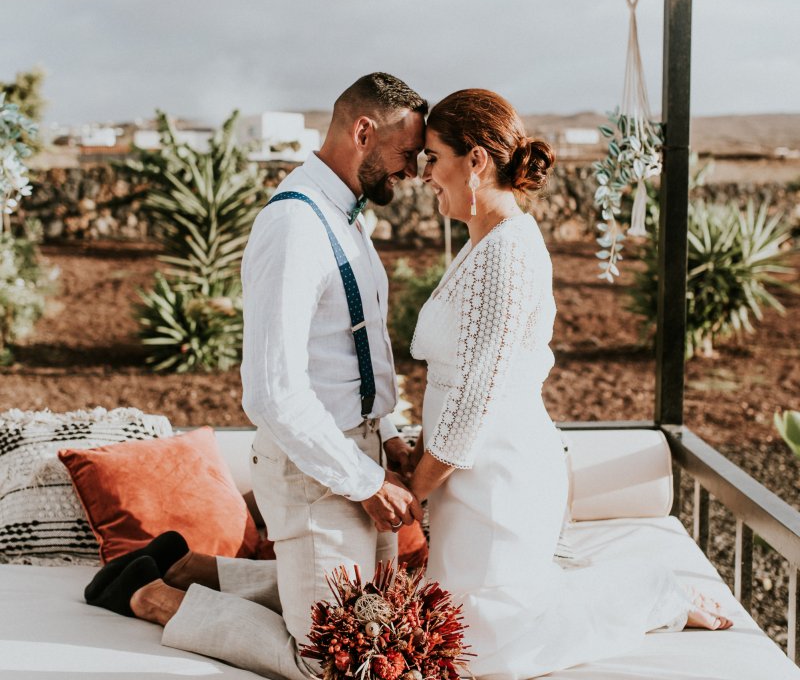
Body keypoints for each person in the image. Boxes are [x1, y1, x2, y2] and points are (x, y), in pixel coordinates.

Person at [84, 72, 427, 680]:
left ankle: (192, 569)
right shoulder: (295, 225)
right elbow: (271, 389)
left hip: (361, 450)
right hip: (319, 468)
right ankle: (152, 596)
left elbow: (360, 348)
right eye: (407, 154)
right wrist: (362, 481)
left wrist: (391, 432)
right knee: (334, 658)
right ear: (363, 131)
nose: (413, 170)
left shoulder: (347, 218)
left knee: (375, 618)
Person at [405, 88, 733, 679]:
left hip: (495, 469)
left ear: (475, 161)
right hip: (469, 472)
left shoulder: (507, 252)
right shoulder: (484, 243)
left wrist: (416, 485)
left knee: (491, 647)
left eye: (433, 157)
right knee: (458, 627)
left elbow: (477, 392)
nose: (425, 174)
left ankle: (657, 593)